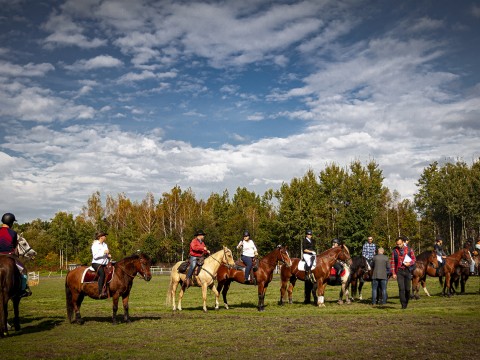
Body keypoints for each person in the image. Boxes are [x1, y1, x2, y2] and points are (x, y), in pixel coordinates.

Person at [0, 213, 31, 297]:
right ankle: (22, 290)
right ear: (11, 223)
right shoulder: (13, 233)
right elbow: (14, 247)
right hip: (9, 255)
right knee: (23, 271)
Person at [390, 235, 416, 309]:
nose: (398, 245)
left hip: (407, 270)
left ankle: (406, 301)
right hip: (399, 271)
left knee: (407, 289)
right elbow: (392, 262)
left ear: (403, 242)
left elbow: (414, 259)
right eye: (397, 244)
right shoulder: (394, 251)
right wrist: (393, 273)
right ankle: (403, 304)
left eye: (400, 244)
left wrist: (409, 263)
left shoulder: (409, 250)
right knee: (401, 288)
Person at [91, 231, 111, 298]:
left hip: (105, 263)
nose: (105, 237)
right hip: (96, 263)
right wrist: (104, 252)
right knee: (102, 274)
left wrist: (108, 256)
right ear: (100, 237)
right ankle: (100, 292)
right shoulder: (95, 245)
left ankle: (109, 290)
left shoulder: (105, 245)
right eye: (105, 235)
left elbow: (106, 254)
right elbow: (95, 256)